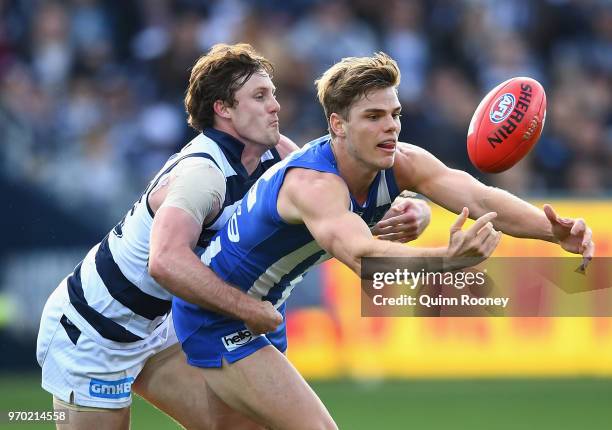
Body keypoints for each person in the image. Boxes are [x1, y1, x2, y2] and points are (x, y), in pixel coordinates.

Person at [172, 52, 595, 430]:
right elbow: (364, 258)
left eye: (394, 114)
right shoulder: (315, 184)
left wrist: (552, 230)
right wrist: (445, 260)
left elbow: (477, 195)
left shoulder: (401, 160)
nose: (390, 127)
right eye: (373, 117)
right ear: (337, 125)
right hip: (219, 314)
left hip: (261, 309)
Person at [36, 44, 431, 430]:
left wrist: (412, 210)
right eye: (259, 96)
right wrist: (247, 308)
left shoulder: (279, 155)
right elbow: (165, 261)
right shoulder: (201, 174)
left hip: (162, 327)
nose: (275, 105)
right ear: (223, 109)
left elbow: (336, 210)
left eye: (273, 94)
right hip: (93, 331)